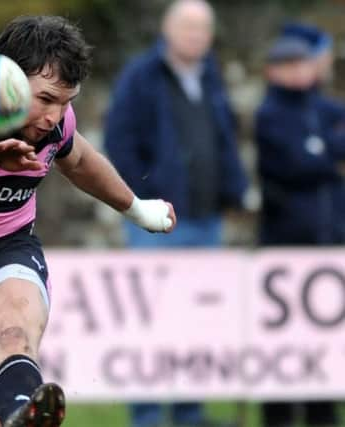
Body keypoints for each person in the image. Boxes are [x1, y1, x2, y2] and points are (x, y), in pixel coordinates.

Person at [0, 15, 176, 427]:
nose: (53, 117)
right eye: (45, 98)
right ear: (8, 79)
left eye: (66, 101)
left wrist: (137, 208)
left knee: (12, 334)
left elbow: (79, 161)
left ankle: (26, 409)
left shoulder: (55, 128)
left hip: (5, 248)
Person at [103, 0, 247, 426]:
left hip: (205, 218)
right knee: (152, 320)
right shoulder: (141, 76)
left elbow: (224, 138)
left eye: (203, 28)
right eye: (188, 27)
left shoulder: (211, 74)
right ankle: (147, 415)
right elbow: (119, 141)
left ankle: (189, 413)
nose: (196, 36)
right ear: (169, 30)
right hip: (157, 222)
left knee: (197, 321)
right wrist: (142, 200)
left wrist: (233, 190)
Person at [255, 35, 345, 427]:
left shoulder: (323, 108)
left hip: (328, 240)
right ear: (273, 70)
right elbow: (295, 164)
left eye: (303, 64)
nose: (298, 71)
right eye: (288, 65)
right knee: (283, 345)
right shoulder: (269, 113)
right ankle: (278, 417)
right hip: (285, 243)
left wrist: (322, 151)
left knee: (325, 343)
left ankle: (322, 415)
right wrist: (329, 157)